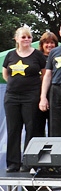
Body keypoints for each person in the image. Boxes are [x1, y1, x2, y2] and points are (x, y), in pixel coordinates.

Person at [3, 27, 46, 172]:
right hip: (12, 96)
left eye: (29, 37)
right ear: (16, 39)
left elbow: (45, 75)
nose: (26, 40)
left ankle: (29, 162)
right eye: (23, 37)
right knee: (13, 129)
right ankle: (13, 163)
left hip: (31, 96)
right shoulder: (10, 55)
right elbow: (5, 74)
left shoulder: (38, 55)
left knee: (32, 128)